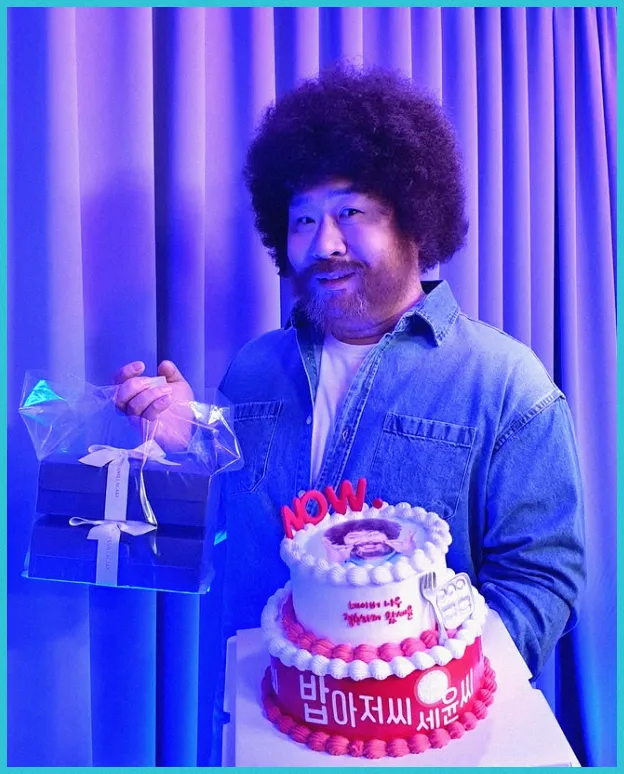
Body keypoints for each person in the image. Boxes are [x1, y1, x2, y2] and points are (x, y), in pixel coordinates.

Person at [115, 65, 585, 688]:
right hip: (259, 713)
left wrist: (438, 693)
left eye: (351, 212)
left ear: (415, 221)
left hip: (424, 729)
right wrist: (189, 443)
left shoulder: (506, 384)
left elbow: (543, 578)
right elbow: (222, 531)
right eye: (304, 220)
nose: (324, 244)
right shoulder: (253, 369)